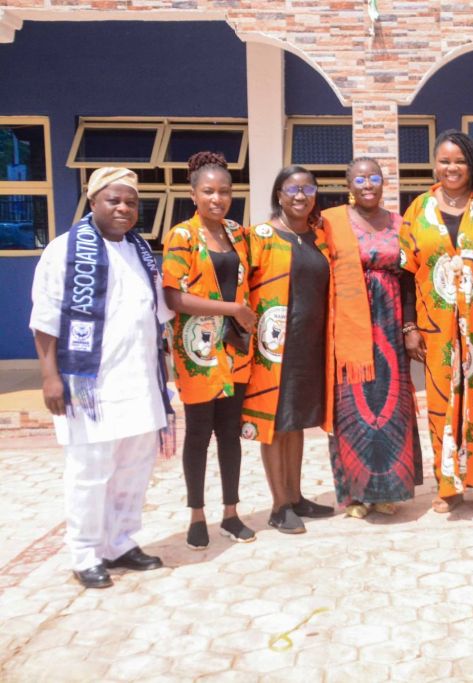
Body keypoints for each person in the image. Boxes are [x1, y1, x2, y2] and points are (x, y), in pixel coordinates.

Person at [30, 167, 173, 589]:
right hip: (90, 386)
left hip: (140, 384)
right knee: (89, 473)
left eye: (131, 201)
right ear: (93, 202)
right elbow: (45, 320)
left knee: (133, 470)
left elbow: (158, 314)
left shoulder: (140, 251)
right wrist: (50, 377)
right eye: (114, 200)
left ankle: (120, 542)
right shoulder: (63, 251)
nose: (123, 208)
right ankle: (85, 553)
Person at [399, 130, 473, 515]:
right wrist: (410, 327)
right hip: (437, 327)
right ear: (435, 165)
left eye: (460, 161)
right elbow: (405, 273)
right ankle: (448, 485)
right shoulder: (418, 209)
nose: (452, 168)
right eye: (445, 161)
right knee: (441, 403)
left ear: (472, 163)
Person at [162, 151, 257, 549]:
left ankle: (231, 514)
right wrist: (233, 309)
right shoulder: (182, 236)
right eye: (208, 192)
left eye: (224, 191)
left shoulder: (237, 233)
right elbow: (174, 298)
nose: (217, 199)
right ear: (193, 194)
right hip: (198, 353)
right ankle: (197, 516)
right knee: (199, 435)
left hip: (235, 350)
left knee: (230, 434)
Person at [322, 157, 423, 518]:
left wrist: (410, 327)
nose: (367, 185)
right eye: (360, 179)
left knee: (391, 407)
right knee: (352, 409)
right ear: (348, 184)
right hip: (349, 326)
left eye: (374, 178)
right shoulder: (331, 222)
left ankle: (386, 492)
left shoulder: (400, 224)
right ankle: (355, 494)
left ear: (384, 182)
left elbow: (410, 279)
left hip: (390, 327)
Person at [243, 165, 335, 534]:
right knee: (275, 424)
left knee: (295, 423)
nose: (300, 195)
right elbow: (243, 287)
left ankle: (296, 496)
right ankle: (279, 506)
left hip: (309, 345)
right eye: (292, 189)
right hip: (274, 347)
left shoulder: (318, 238)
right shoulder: (261, 236)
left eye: (308, 189)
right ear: (279, 195)